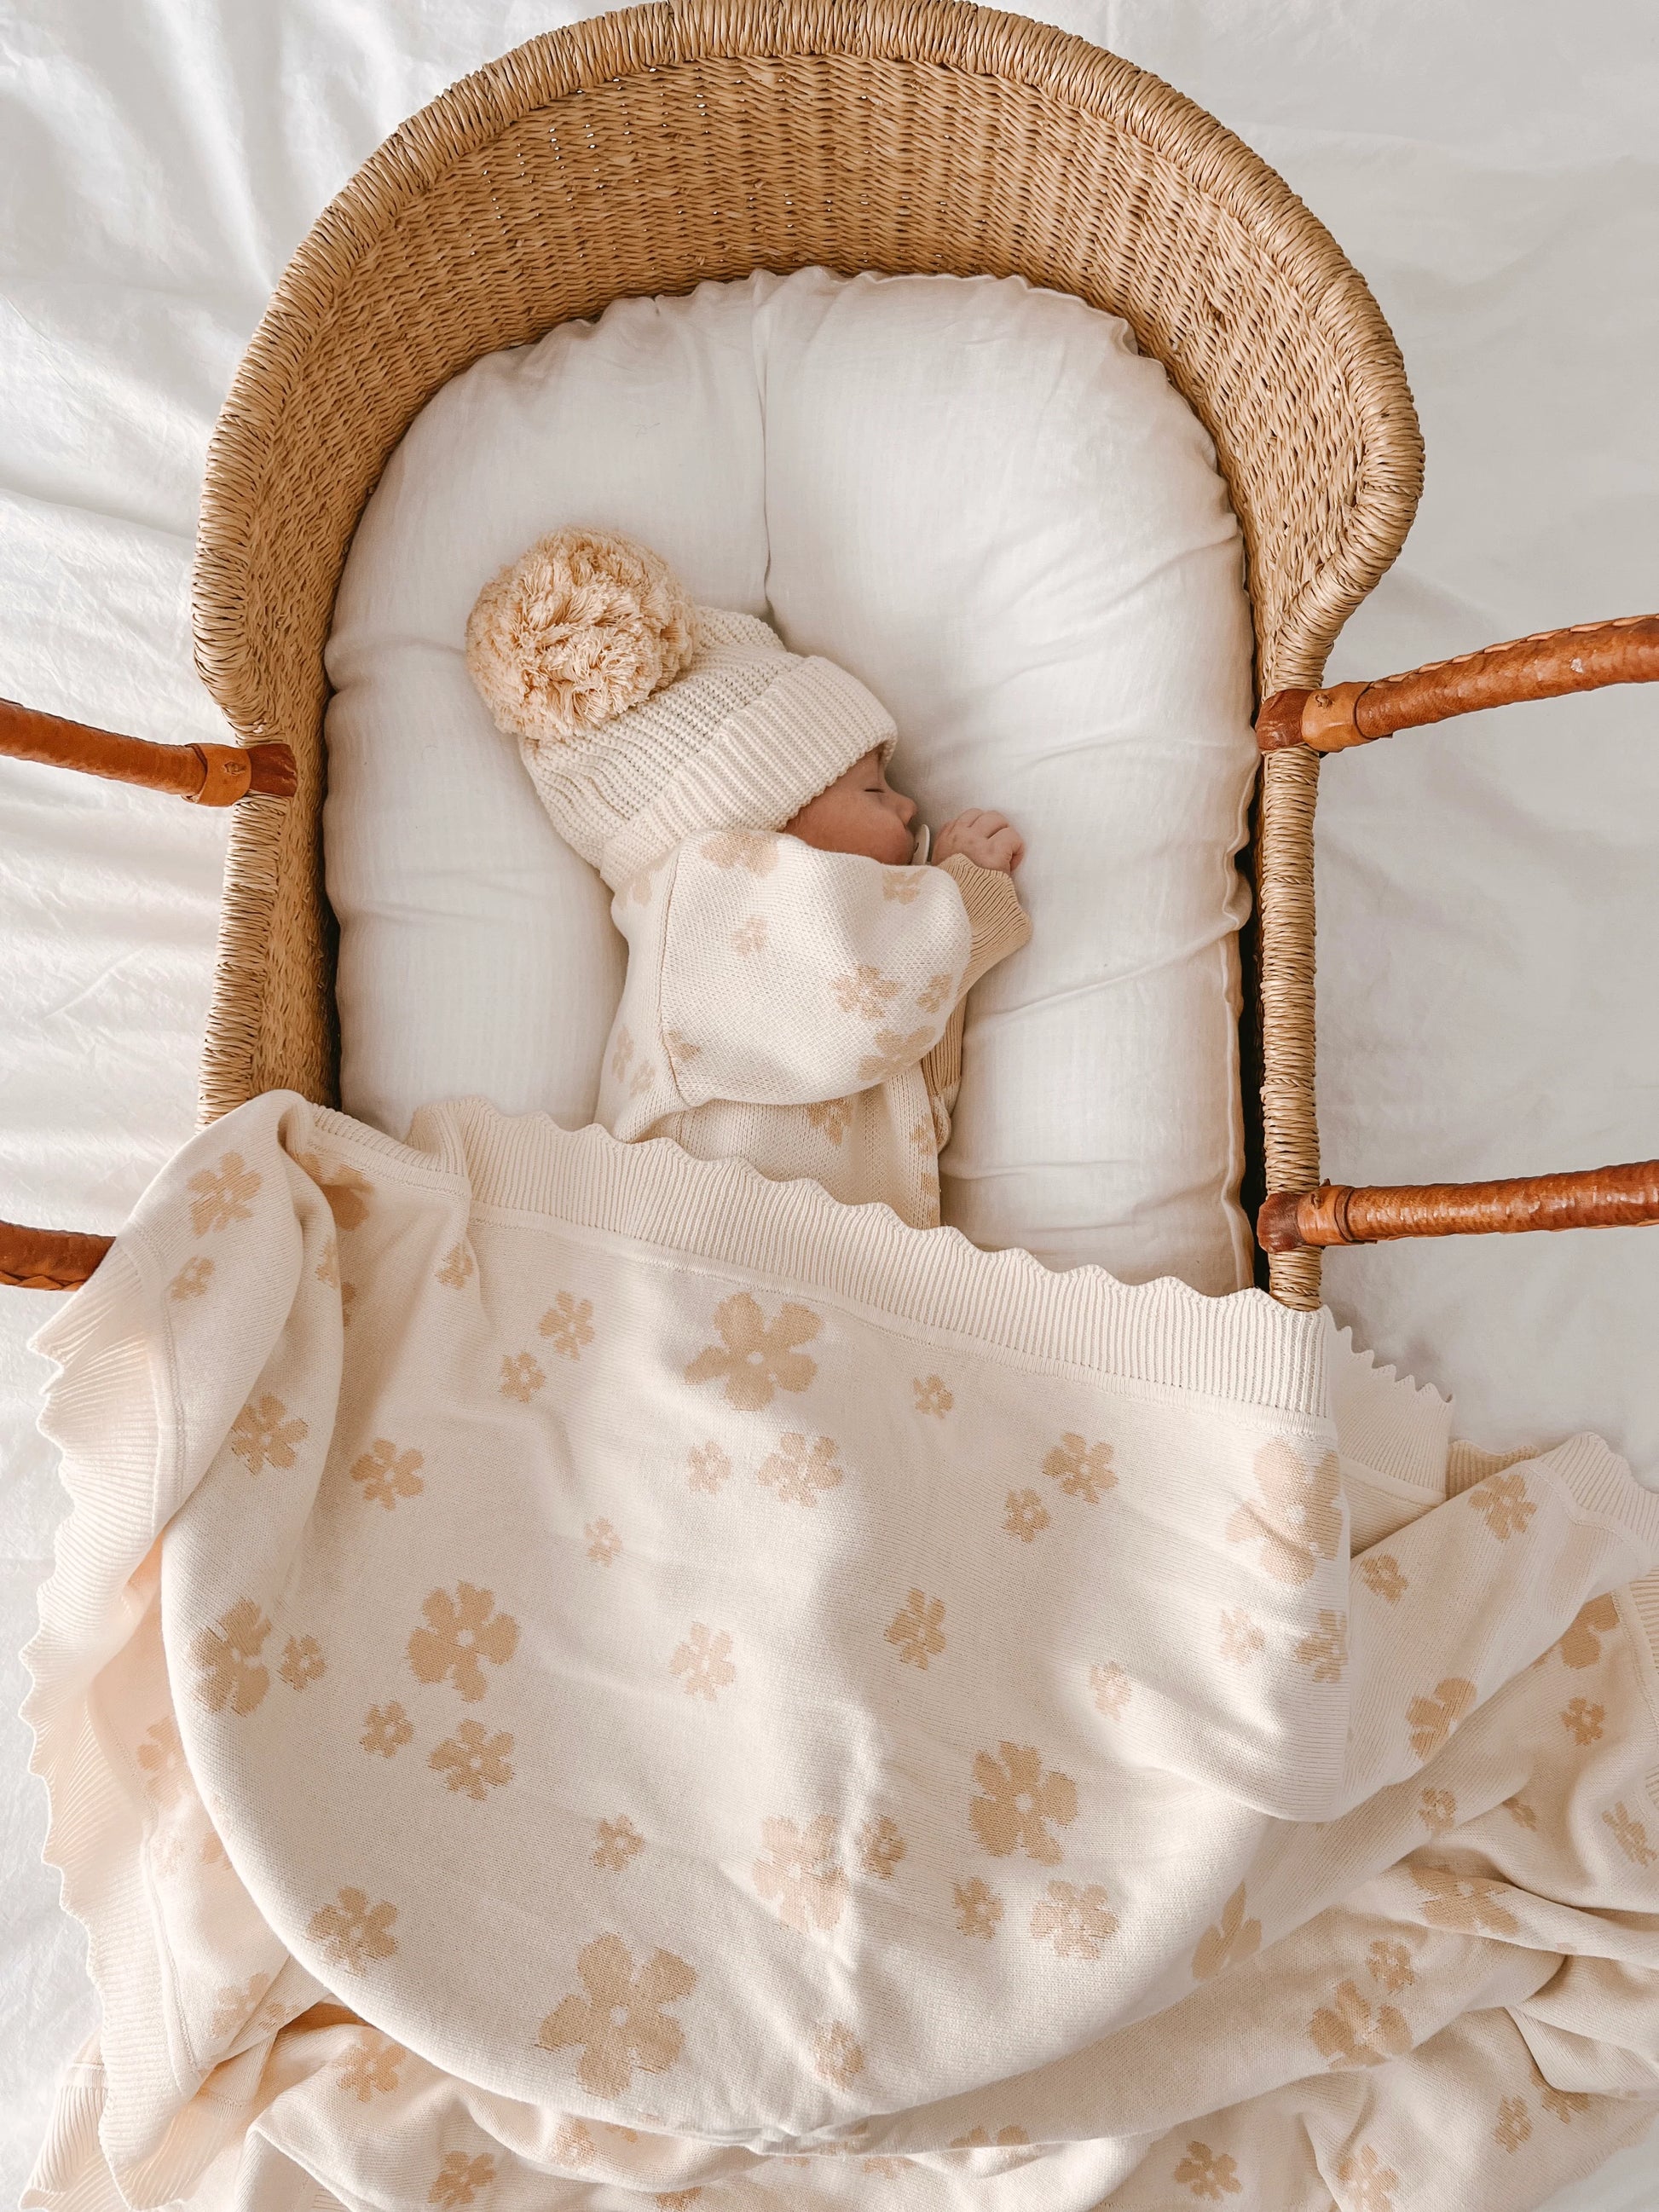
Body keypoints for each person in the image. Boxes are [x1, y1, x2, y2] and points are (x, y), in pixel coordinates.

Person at [466, 528, 1029, 1228]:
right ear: (769, 816)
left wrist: (954, 944)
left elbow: (908, 1066)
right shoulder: (706, 898)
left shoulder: (803, 944)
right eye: (874, 790)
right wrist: (963, 899)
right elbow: (878, 1004)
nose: (910, 806)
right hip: (702, 1241)